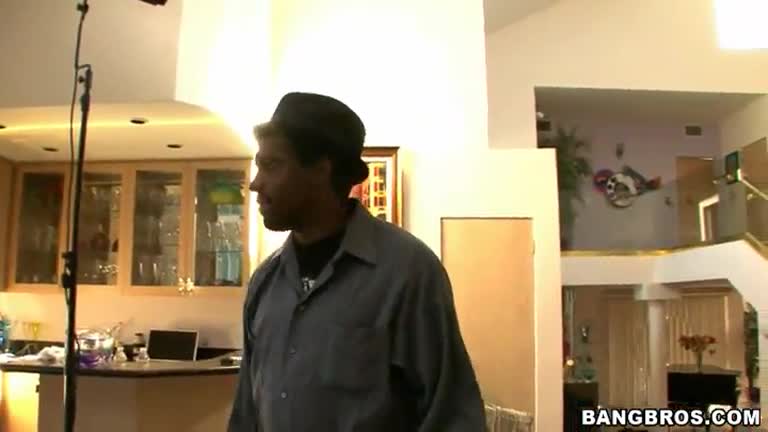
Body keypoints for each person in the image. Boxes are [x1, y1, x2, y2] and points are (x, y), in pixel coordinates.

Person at [228, 92, 486, 432]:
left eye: (272, 165)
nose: (255, 183)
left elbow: (452, 415)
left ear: (321, 170)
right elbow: (247, 414)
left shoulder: (407, 272)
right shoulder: (266, 280)